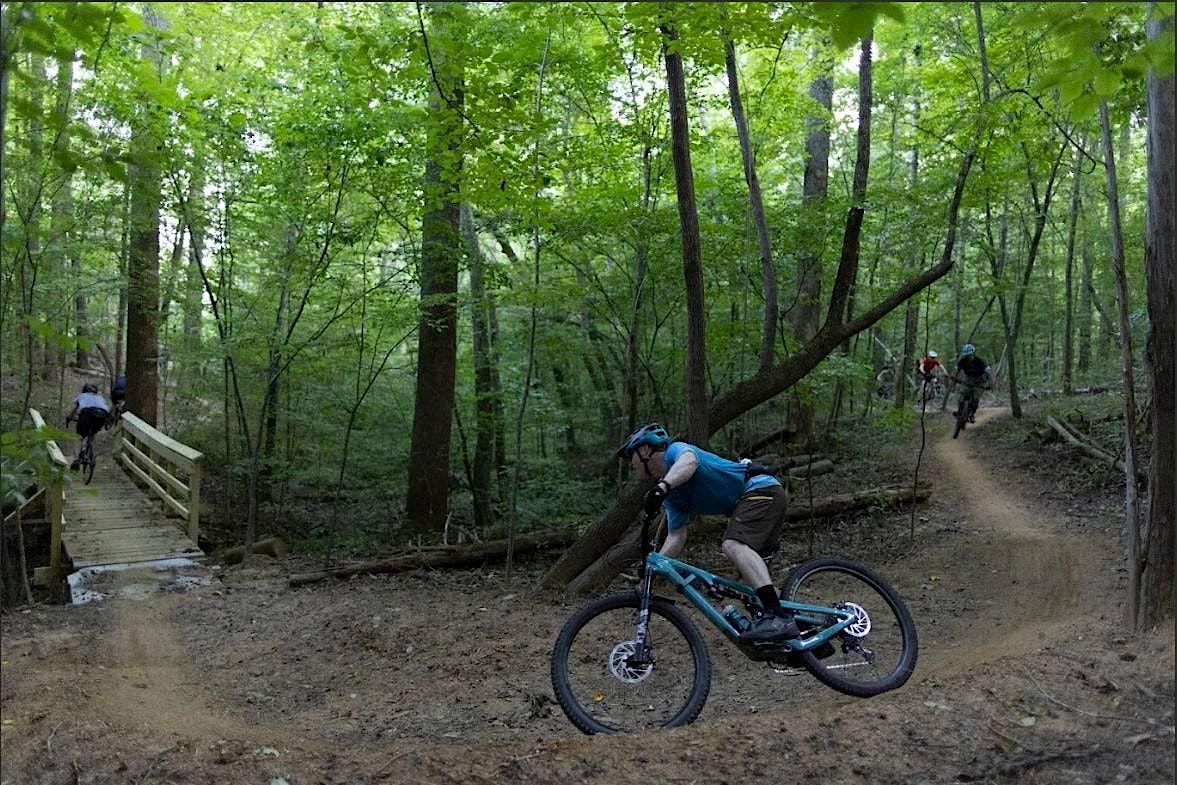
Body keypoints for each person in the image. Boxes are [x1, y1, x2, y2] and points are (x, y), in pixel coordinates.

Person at [617, 423, 800, 644]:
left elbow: (690, 462)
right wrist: (654, 568)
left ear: (645, 450)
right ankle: (804, 636)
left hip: (761, 489)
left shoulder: (676, 451)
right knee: (749, 587)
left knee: (733, 545)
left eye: (632, 457)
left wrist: (662, 487)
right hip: (752, 501)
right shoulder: (673, 496)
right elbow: (676, 536)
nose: (632, 464)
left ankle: (778, 617)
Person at [65, 383, 110, 470]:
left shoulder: (82, 396)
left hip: (87, 413)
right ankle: (89, 448)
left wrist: (69, 418)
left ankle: (76, 459)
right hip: (102, 415)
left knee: (78, 437)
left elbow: (75, 410)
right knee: (92, 432)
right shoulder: (100, 397)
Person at [949, 344, 991, 423]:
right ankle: (960, 411)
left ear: (973, 354)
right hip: (969, 379)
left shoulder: (980, 361)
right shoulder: (963, 361)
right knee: (961, 396)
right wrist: (953, 376)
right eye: (967, 356)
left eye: (970, 355)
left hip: (980, 380)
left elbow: (988, 372)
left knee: (975, 398)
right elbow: (956, 369)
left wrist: (990, 384)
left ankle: (972, 414)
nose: (969, 357)